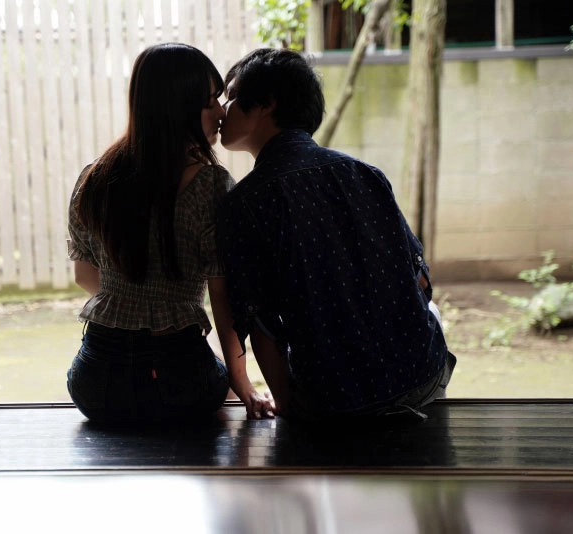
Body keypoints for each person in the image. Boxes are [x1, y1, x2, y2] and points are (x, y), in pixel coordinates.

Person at [216, 48, 455, 421]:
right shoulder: (365, 173)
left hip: (331, 403)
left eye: (230, 97)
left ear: (266, 104)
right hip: (420, 380)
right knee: (433, 313)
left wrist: (289, 411)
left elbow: (260, 323)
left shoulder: (243, 204)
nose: (221, 111)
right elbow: (421, 282)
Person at [66, 43, 274, 424]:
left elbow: (84, 275)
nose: (221, 112)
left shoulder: (94, 178)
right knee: (217, 386)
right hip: (180, 386)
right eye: (209, 102)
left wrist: (134, 308)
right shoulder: (211, 186)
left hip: (95, 387)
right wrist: (241, 382)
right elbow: (222, 297)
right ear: (177, 108)